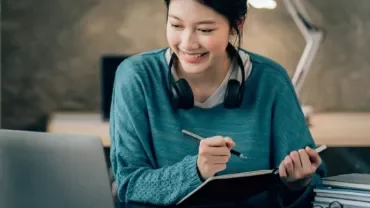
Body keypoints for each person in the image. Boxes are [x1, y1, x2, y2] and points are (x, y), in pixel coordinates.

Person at [109, 0, 326, 207]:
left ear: (237, 24)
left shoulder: (271, 80)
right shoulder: (136, 76)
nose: (187, 43)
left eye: (205, 30)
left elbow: (315, 186)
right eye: (176, 25)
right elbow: (129, 184)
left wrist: (298, 185)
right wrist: (196, 170)